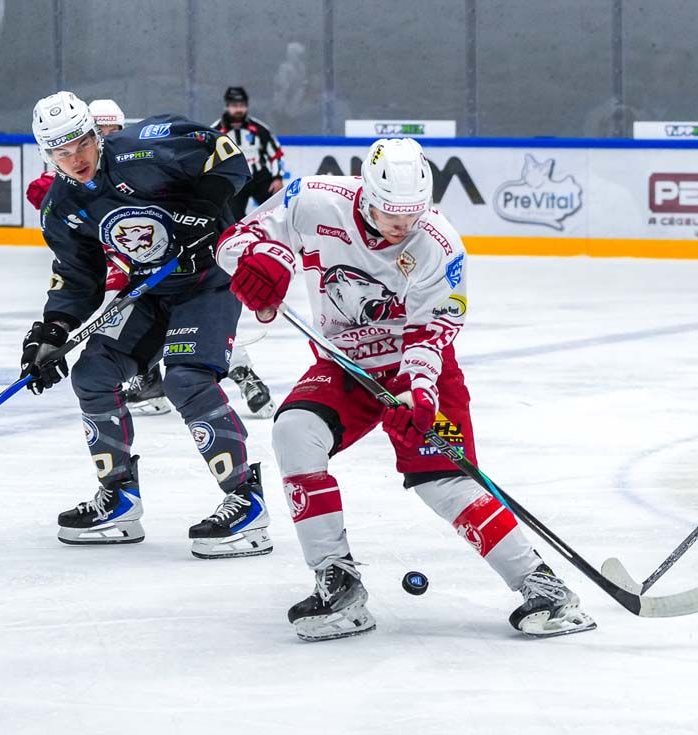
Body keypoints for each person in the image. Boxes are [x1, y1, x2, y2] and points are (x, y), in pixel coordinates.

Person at [216, 138, 595, 640]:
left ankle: (543, 587)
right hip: (344, 367)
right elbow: (233, 240)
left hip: (417, 368)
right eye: (391, 213)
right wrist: (263, 259)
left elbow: (432, 329)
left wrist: (420, 392)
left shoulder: (438, 242)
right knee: (294, 433)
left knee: (444, 479)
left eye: (412, 213)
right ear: (366, 195)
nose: (402, 225)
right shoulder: (311, 199)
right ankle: (338, 584)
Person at [24, 90, 272, 558]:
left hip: (209, 280)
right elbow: (78, 279)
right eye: (61, 151)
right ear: (46, 154)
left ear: (95, 134)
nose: (75, 158)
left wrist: (205, 206)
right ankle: (119, 498)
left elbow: (226, 155)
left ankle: (247, 500)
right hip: (151, 289)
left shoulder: (146, 146)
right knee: (92, 374)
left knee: (185, 378)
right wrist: (52, 332)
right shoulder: (61, 205)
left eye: (81, 143)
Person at [211, 86, 285, 220]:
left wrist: (277, 178)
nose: (239, 109)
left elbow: (276, 153)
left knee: (277, 212)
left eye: (242, 105)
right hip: (234, 180)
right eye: (234, 106)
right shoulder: (215, 131)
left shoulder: (259, 128)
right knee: (233, 219)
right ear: (227, 106)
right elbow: (208, 159)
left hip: (260, 177)